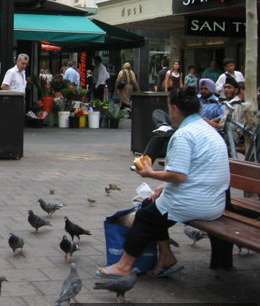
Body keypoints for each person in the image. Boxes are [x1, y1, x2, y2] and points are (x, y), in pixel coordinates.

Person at [97, 86, 229, 279]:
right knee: (153, 205)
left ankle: (124, 266)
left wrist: (150, 173)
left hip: (196, 204)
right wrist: (163, 187)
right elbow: (196, 171)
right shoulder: (207, 130)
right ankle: (166, 256)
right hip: (216, 203)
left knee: (144, 216)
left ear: (175, 109)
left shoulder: (184, 135)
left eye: (169, 108)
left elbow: (178, 175)